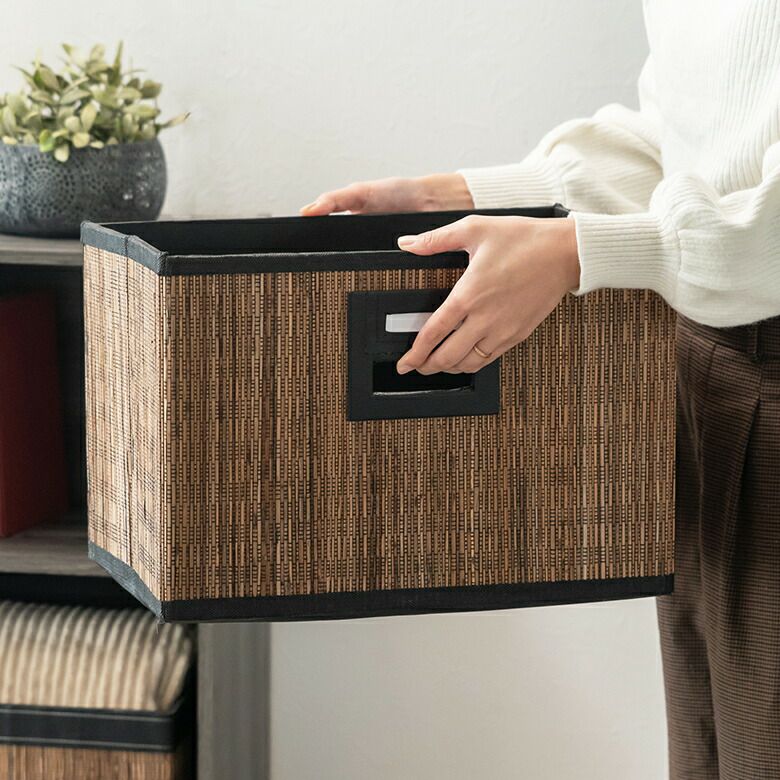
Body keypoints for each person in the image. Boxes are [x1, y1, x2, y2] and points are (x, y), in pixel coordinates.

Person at [301, 2, 780, 777]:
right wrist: (457, 196)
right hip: (711, 370)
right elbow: (685, 140)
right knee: (719, 746)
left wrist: (576, 250)